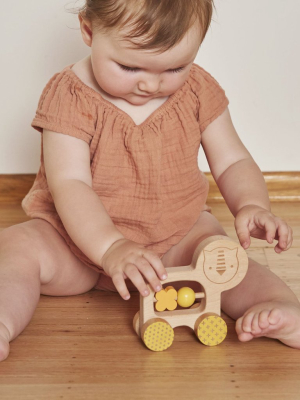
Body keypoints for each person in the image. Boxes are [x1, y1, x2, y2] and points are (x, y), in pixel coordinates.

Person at [0, 0, 299, 361]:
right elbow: (70, 185)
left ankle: (279, 307)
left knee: (220, 259)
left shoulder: (197, 91)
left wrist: (252, 204)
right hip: (74, 244)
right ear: (89, 31)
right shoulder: (70, 96)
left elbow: (233, 159)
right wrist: (110, 248)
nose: (150, 84)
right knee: (17, 247)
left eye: (175, 67)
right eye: (129, 66)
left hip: (174, 237)